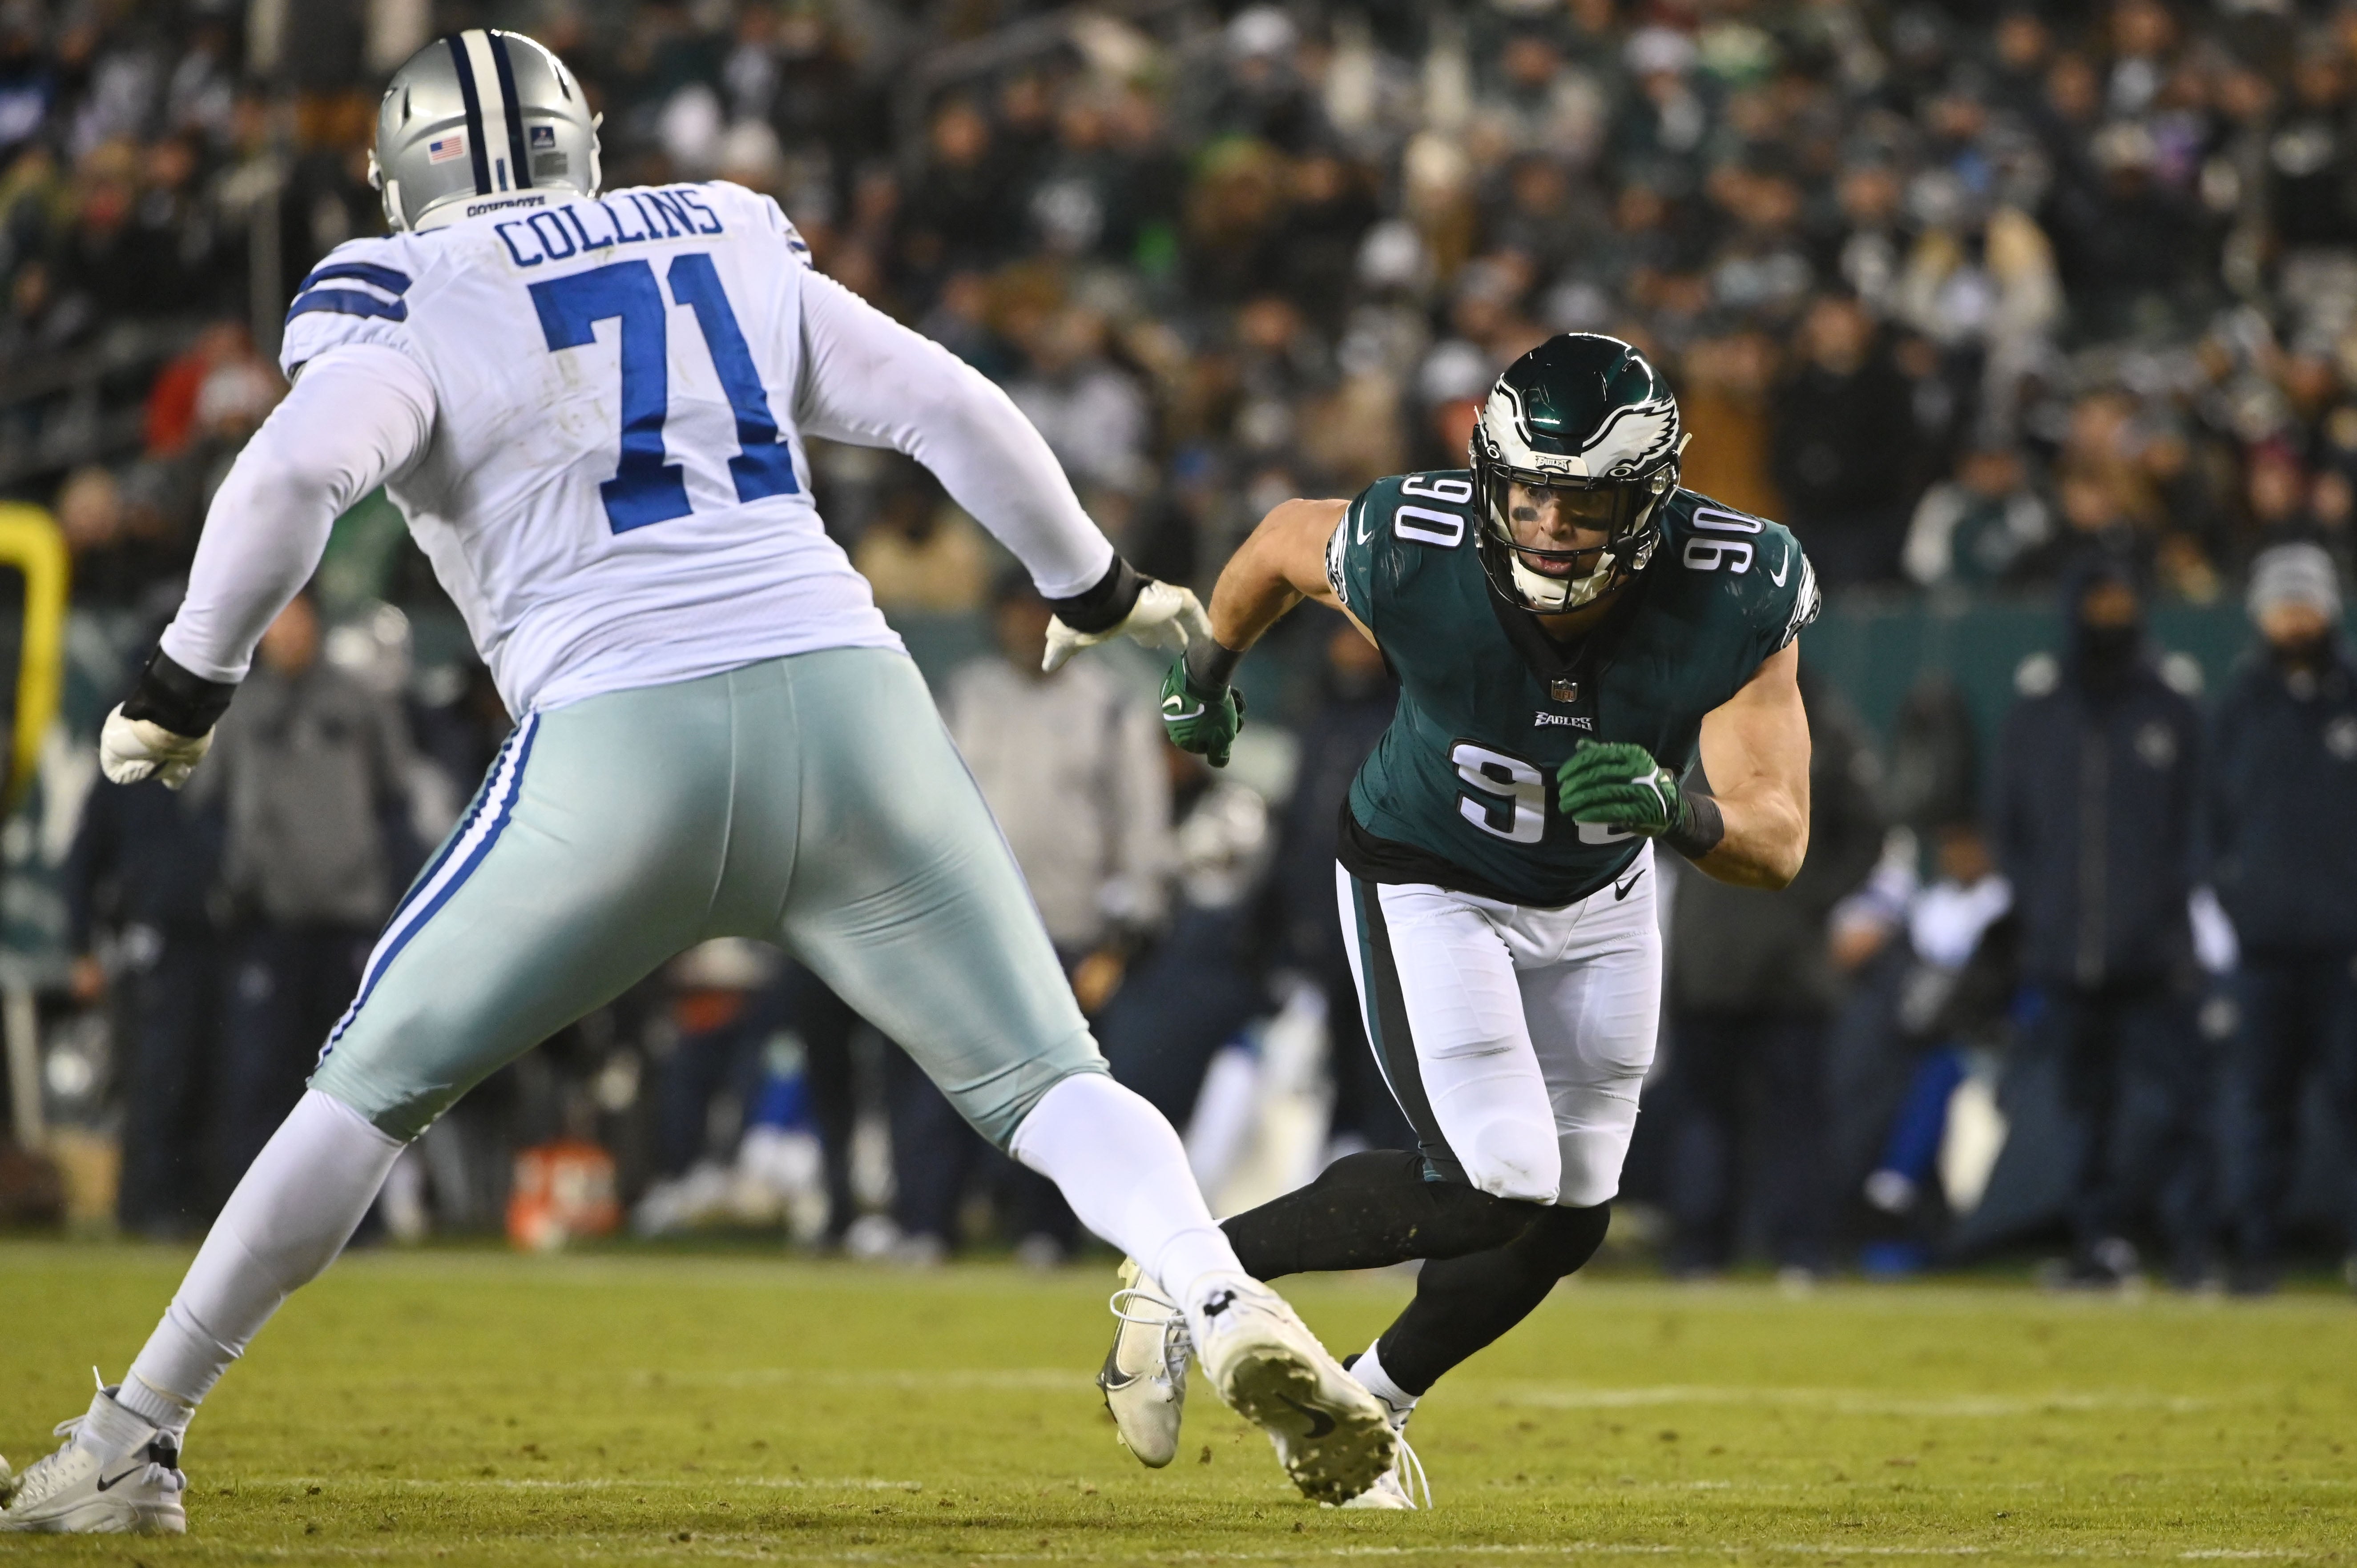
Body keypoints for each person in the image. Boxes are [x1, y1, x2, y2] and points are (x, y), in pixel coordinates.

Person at [0, 30, 1393, 1536]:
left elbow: (288, 478)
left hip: (619, 738)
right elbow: (947, 402)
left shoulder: (400, 289)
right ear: (578, 137)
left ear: (400, 169)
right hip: (853, 704)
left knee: (365, 1093)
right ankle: (1206, 1278)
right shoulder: (720, 224)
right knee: (1056, 1082)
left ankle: (138, 1438)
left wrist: (188, 679)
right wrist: (1100, 584)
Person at [1096, 334, 1817, 1507]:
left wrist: (1674, 809)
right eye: (1524, 489)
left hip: (1599, 890)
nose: (1542, 522)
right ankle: (1178, 1271)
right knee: (1495, 1180)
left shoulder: (1735, 584)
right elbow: (1282, 538)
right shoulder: (1415, 548)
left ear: (1647, 501)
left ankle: (1360, 1406)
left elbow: (1775, 836)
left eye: (1578, 499)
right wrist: (1209, 669)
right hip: (1428, 871)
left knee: (1571, 1214)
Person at [1991, 557, 2208, 1289]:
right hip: (2065, 947)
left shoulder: (2170, 703)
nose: (2111, 614)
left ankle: (2189, 1251)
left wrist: (2174, 910)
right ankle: (2098, 1246)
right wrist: (2041, 906)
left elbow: (2199, 822)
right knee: (2082, 1111)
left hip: (2154, 949)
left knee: (2171, 1105)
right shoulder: (2041, 706)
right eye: (2100, 600)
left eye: (2123, 599)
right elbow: (2011, 824)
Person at [2207, 543, 2357, 1294]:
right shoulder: (2239, 705)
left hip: (2346, 947)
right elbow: (2212, 823)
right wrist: (2236, 900)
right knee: (2256, 1103)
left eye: (2306, 604)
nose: (2295, 620)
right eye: (2282, 605)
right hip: (2263, 943)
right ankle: (2254, 1252)